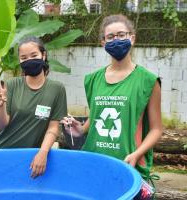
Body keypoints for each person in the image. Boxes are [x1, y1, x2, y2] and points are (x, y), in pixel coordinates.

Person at [61, 14, 162, 199]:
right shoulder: (92, 80)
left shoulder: (148, 81)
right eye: (110, 37)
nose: (116, 40)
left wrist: (136, 154)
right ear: (103, 43)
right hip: (95, 161)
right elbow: (97, 117)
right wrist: (80, 129)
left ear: (132, 38)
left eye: (121, 35)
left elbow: (156, 129)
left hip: (128, 163)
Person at [0, 37, 67, 179]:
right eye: (23, 57)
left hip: (29, 158)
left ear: (44, 55)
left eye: (34, 55)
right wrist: (0, 104)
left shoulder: (57, 89)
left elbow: (53, 128)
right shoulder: (12, 85)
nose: (29, 60)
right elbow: (1, 124)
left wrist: (43, 152)